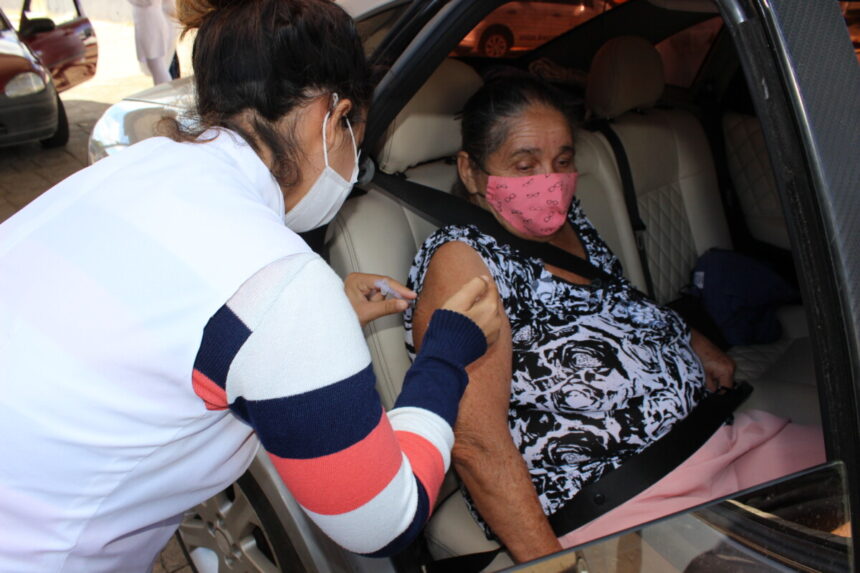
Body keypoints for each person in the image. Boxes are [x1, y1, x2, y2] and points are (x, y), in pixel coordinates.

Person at [0, 1, 501, 570]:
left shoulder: (137, 170)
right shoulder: (276, 283)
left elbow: (159, 320)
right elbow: (382, 522)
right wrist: (446, 353)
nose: (352, 163)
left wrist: (319, 319)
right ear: (330, 117)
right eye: (354, 140)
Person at [404, 76, 825, 564]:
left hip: (718, 439)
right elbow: (478, 443)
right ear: (472, 172)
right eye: (525, 165)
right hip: (632, 495)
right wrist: (551, 563)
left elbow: (619, 303)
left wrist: (691, 338)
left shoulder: (569, 223)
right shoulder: (463, 261)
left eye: (562, 162)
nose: (550, 180)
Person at [128, 0, 179, 85]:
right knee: (154, 65)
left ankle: (165, 92)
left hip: (150, 23)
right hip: (145, 21)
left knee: (157, 65)